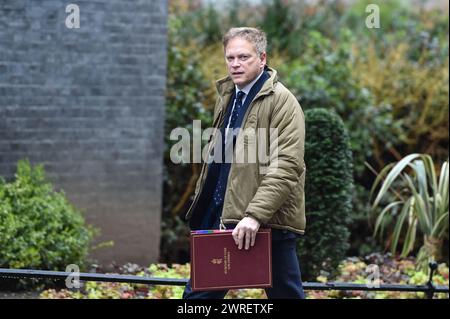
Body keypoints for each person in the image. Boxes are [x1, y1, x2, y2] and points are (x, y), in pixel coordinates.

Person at [183, 27, 306, 299]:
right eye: (230, 58)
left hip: (267, 225)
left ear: (262, 58)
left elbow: (287, 166)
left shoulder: (283, 102)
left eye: (243, 57)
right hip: (223, 219)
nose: (235, 64)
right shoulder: (228, 95)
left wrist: (254, 216)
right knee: (197, 298)